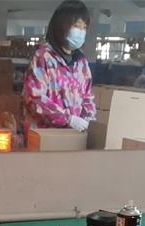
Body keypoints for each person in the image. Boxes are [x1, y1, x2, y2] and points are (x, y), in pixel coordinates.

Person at [22, 0, 96, 132]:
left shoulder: (81, 62)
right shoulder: (43, 58)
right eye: (76, 26)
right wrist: (68, 119)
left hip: (73, 135)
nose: (81, 32)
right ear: (62, 26)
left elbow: (87, 97)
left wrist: (88, 119)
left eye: (84, 27)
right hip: (45, 134)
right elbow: (34, 98)